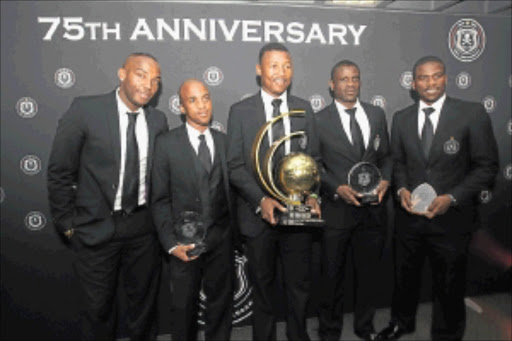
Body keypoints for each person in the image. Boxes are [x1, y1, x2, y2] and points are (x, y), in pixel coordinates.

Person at [376, 56, 499, 340]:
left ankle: (446, 334)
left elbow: (487, 166)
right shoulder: (401, 118)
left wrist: (452, 198)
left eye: (436, 76)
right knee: (404, 278)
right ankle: (400, 323)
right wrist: (401, 189)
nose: (430, 83)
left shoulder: (472, 113)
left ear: (445, 78)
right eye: (423, 78)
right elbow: (398, 162)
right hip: (409, 218)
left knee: (450, 284)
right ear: (413, 83)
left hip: (452, 219)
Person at [47, 52, 168, 340]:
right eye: (141, 74)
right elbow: (59, 171)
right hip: (95, 228)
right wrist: (67, 223)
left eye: (155, 80)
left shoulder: (158, 120)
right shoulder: (85, 110)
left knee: (143, 309)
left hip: (142, 229)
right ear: (122, 74)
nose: (148, 85)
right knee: (98, 311)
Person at [226, 42, 320, 340]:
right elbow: (235, 165)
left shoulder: (304, 109)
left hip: (298, 212)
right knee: (263, 289)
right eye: (274, 66)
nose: (282, 73)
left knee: (298, 287)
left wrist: (314, 195)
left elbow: (315, 161)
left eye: (287, 66)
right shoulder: (240, 112)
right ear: (259, 70)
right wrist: (260, 199)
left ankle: (297, 336)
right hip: (258, 217)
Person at [314, 60, 391, 341]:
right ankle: (329, 332)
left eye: (355, 78)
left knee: (368, 276)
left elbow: (388, 157)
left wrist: (386, 180)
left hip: (372, 212)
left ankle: (365, 327)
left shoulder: (376, 114)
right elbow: (314, 164)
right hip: (336, 211)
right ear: (332, 85)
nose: (350, 84)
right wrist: (336, 188)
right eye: (343, 79)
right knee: (331, 277)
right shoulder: (319, 120)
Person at [151, 79, 234, 340]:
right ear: (182, 106)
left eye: (206, 98)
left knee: (221, 304)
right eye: (193, 100)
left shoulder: (224, 141)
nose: (202, 106)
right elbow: (159, 199)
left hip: (221, 238)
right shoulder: (166, 144)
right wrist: (171, 244)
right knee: (183, 307)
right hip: (184, 243)